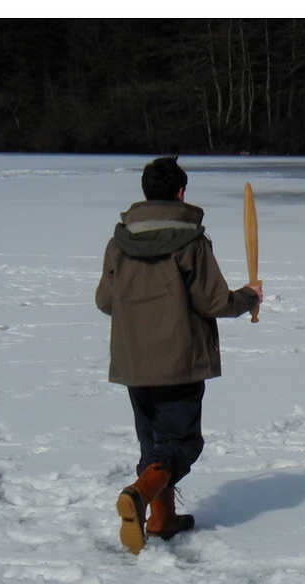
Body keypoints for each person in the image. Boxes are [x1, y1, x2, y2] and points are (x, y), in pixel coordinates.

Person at [95, 156, 262, 554]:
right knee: (181, 443)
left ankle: (161, 518)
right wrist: (249, 296)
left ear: (145, 192)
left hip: (134, 361)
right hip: (180, 361)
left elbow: (105, 301)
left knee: (153, 443)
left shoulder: (118, 242)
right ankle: (140, 492)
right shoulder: (191, 242)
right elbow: (214, 301)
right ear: (181, 192)